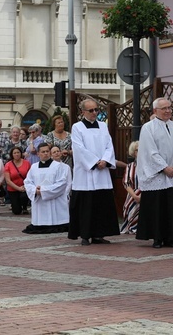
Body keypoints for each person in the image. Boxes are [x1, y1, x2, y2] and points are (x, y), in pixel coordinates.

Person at [136, 98, 173, 248]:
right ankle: (157, 238)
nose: (167, 111)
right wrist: (164, 167)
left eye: (169, 108)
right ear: (155, 111)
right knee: (157, 207)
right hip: (158, 174)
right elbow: (150, 151)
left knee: (172, 206)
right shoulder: (148, 127)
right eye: (164, 108)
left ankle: (171, 237)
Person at [68, 99, 120, 246]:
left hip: (102, 172)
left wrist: (105, 160)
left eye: (96, 110)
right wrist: (94, 162)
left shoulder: (103, 126)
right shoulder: (77, 127)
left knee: (101, 205)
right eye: (91, 111)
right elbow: (79, 148)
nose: (94, 113)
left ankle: (99, 234)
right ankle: (85, 234)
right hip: (86, 173)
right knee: (86, 205)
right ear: (83, 112)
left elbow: (109, 145)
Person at [23, 143, 70, 234]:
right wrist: (35, 190)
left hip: (55, 200)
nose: (45, 153)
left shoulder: (58, 166)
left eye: (47, 151)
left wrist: (44, 191)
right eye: (43, 152)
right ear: (38, 154)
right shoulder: (34, 167)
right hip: (39, 200)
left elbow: (62, 183)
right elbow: (28, 182)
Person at [120, 141, 140, 235]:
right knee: (132, 201)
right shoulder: (129, 166)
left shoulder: (150, 166)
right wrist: (135, 197)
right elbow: (126, 184)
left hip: (147, 192)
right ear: (133, 153)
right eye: (137, 150)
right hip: (133, 193)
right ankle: (133, 226)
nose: (140, 152)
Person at [4, 146, 31, 215]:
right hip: (13, 189)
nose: (16, 154)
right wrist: (18, 188)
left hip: (24, 187)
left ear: (21, 153)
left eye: (18, 152)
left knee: (23, 196)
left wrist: (25, 186)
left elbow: (30, 177)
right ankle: (15, 205)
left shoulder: (27, 163)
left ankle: (24, 207)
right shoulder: (8, 165)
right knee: (16, 211)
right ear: (12, 155)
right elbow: (8, 181)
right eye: (14, 153)